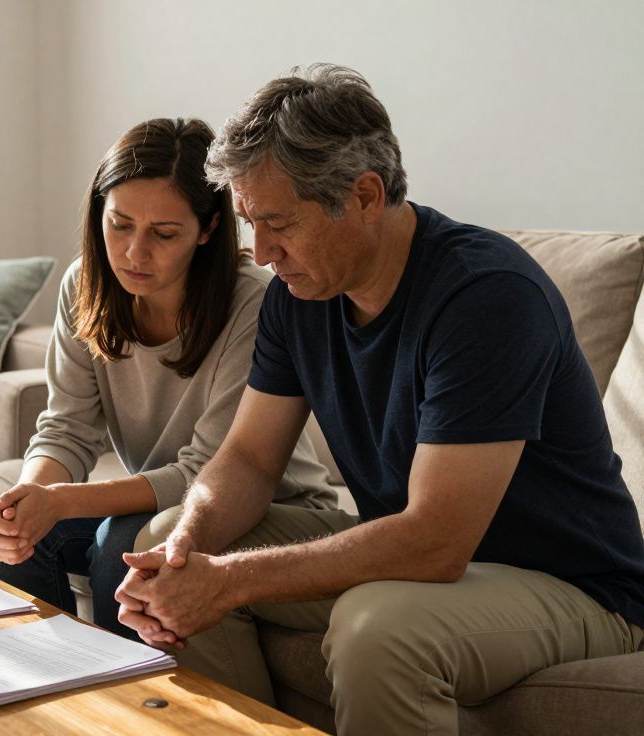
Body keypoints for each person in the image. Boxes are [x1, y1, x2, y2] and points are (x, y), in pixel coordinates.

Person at [114, 65, 644, 735]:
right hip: (420, 558)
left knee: (378, 629)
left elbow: (435, 542)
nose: (262, 252)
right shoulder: (297, 296)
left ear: (364, 195)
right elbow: (248, 459)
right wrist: (190, 549)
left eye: (278, 223)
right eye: (250, 223)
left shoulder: (487, 297)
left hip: (574, 587)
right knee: (168, 538)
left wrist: (231, 580)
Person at [0, 118, 336, 638]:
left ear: (209, 229)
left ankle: (127, 709)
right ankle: (46, 702)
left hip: (265, 509)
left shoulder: (254, 303)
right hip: (163, 505)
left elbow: (208, 471)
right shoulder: (84, 284)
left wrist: (60, 501)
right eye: (119, 224)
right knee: (18, 536)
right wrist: (27, 500)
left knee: (120, 547)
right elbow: (67, 430)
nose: (133, 253)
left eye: (164, 234)